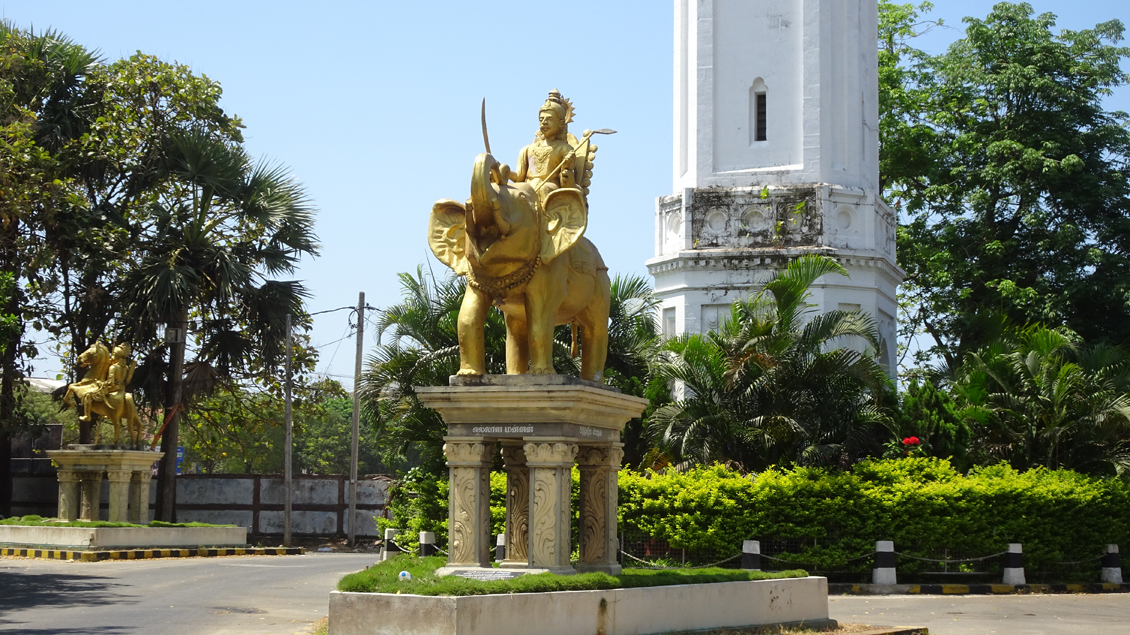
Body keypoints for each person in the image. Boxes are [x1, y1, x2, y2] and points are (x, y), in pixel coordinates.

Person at [511, 89, 579, 204]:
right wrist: (503, 171)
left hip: (549, 188)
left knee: (544, 188)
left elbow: (565, 184)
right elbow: (519, 177)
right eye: (541, 119)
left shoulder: (565, 149)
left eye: (549, 119)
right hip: (528, 188)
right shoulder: (527, 149)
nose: (544, 122)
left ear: (561, 123)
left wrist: (566, 169)